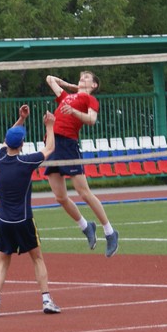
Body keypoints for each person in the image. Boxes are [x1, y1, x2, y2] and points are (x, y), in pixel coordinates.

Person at [0, 104, 61, 317]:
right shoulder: (25, 161)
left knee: (2, 261)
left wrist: (20, 120)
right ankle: (46, 299)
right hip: (23, 219)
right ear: (22, 144)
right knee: (37, 258)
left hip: (3, 221)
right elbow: (49, 149)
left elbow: (7, 140)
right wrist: (50, 126)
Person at [43, 71, 119, 257]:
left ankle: (110, 232)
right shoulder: (66, 96)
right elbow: (50, 79)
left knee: (83, 192)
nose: (82, 78)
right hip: (52, 144)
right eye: (81, 76)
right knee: (60, 197)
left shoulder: (90, 100)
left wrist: (75, 110)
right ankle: (86, 227)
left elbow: (92, 120)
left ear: (94, 85)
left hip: (68, 144)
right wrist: (74, 87)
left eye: (87, 77)